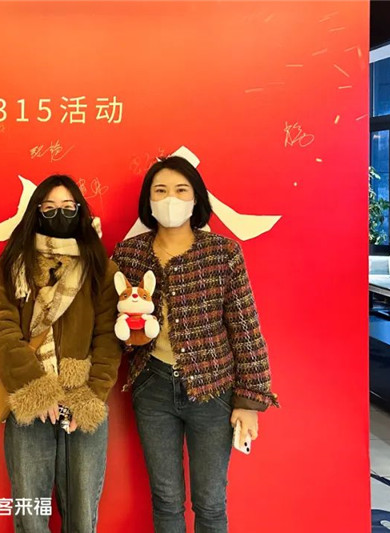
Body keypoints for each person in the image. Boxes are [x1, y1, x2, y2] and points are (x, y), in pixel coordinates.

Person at [112, 156, 279, 533]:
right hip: (152, 386)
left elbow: (245, 328)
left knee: (210, 501)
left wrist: (249, 401)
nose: (170, 199)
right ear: (148, 201)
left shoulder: (223, 253)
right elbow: (113, 327)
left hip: (213, 389)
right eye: (160, 191)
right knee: (165, 498)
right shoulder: (129, 254)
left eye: (180, 190)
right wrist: (128, 334)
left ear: (196, 198)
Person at [0, 174, 122, 532]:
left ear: (80, 212)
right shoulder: (12, 265)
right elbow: (4, 332)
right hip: (29, 400)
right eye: (48, 208)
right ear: (36, 212)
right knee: (30, 514)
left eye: (67, 207)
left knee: (82, 513)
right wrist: (37, 387)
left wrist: (92, 394)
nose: (58, 215)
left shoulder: (101, 268)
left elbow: (108, 338)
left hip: (83, 398)